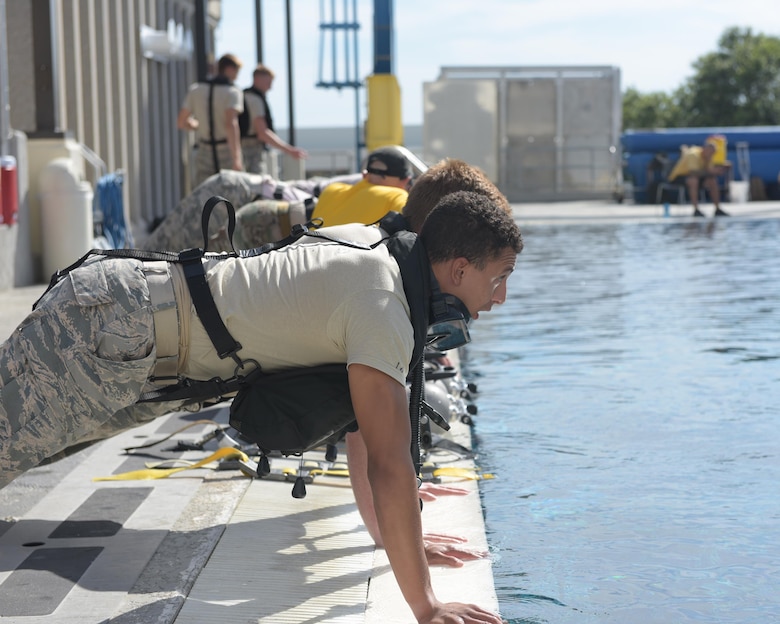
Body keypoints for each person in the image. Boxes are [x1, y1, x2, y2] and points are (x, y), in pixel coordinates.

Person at [0, 191, 522, 624]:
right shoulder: (381, 306)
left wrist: (392, 538)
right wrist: (426, 607)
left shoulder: (380, 252)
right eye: (499, 277)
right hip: (111, 330)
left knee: (25, 456)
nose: (500, 298)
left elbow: (364, 433)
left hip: (138, 346)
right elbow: (390, 462)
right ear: (457, 269)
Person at [177, 54, 245, 187]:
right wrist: (236, 158)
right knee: (231, 193)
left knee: (205, 193)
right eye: (236, 71)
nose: (237, 76)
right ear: (229, 69)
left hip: (204, 150)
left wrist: (200, 125)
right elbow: (231, 124)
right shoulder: (232, 92)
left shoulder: (196, 90)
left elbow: (181, 121)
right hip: (226, 150)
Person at [310, 145, 412, 226]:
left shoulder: (332, 190)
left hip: (311, 249)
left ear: (364, 175)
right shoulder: (397, 197)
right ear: (405, 180)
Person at [240, 64, 307, 174]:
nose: (270, 87)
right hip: (250, 151)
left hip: (242, 149)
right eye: (268, 83)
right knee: (257, 185)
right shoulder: (255, 100)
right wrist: (289, 150)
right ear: (257, 79)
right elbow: (262, 132)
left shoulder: (244, 95)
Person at [666, 139, 730, 217]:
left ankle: (717, 209)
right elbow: (693, 172)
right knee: (693, 180)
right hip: (679, 177)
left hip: (696, 176)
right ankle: (696, 209)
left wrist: (717, 171)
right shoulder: (693, 154)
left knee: (712, 180)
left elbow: (708, 172)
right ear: (704, 149)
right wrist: (711, 172)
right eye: (710, 152)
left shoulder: (709, 157)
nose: (711, 155)